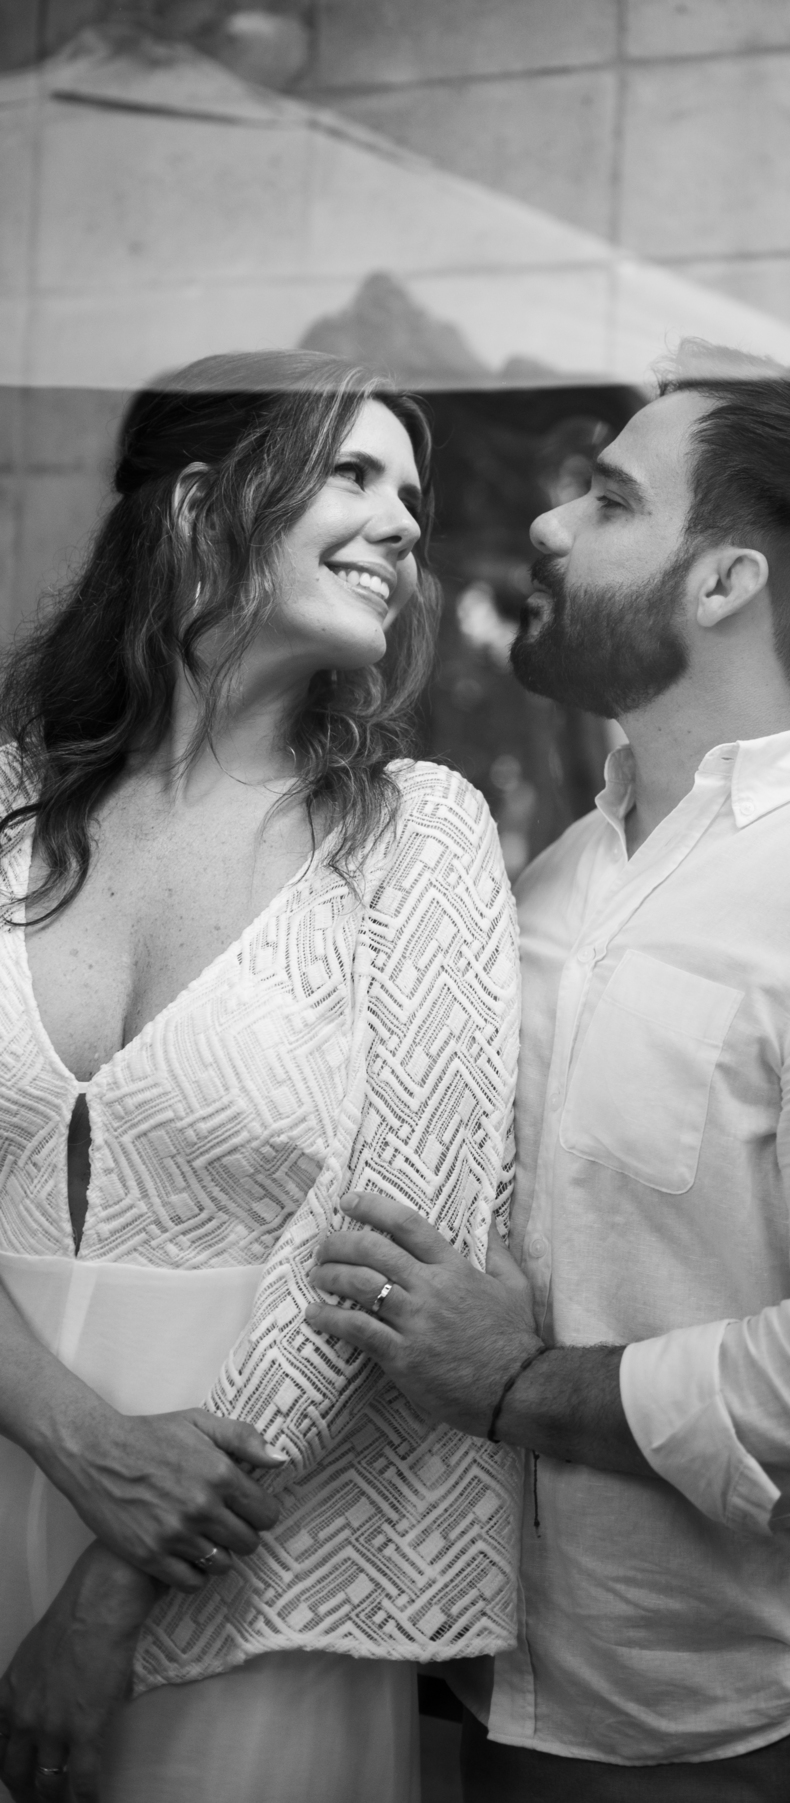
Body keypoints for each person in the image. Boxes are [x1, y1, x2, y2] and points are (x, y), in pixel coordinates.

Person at [307, 343, 790, 1802]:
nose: (548, 525)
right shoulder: (563, 873)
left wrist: (519, 1382)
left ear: (724, 583)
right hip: (495, 1681)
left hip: (763, 1725)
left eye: (607, 500)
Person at [0, 350, 521, 1803]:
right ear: (195, 506)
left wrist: (113, 1590)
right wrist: (73, 1434)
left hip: (242, 1555)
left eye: (410, 495)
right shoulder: (6, 806)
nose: (402, 523)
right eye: (353, 473)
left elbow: (394, 1255)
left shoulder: (415, 838)